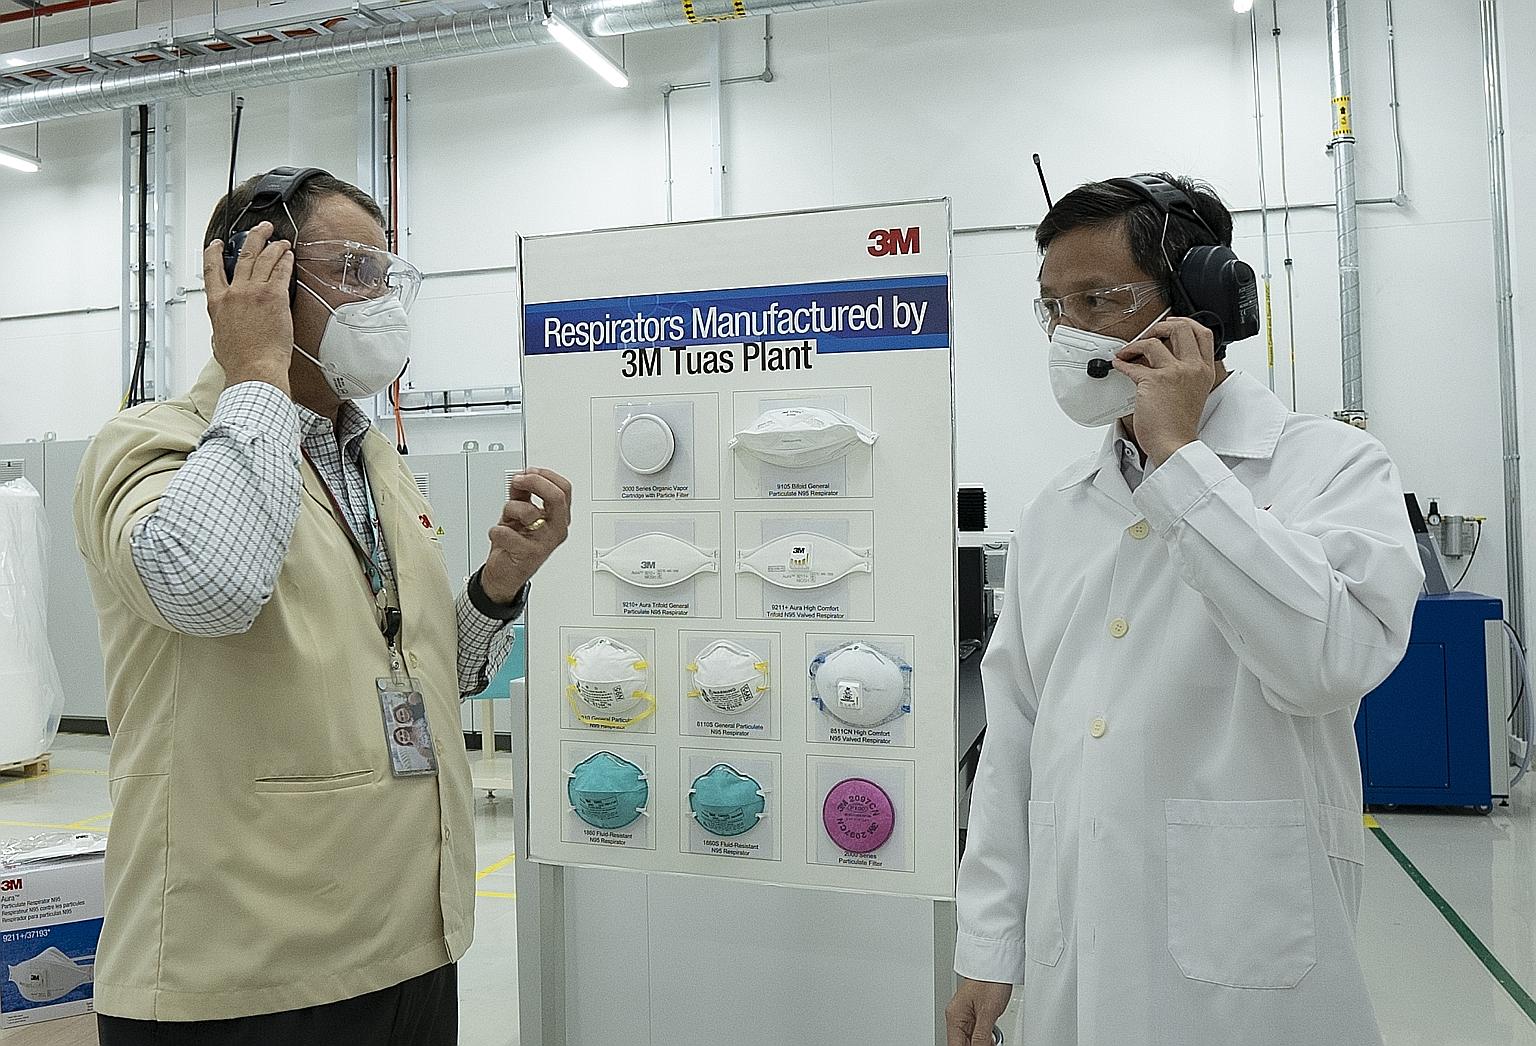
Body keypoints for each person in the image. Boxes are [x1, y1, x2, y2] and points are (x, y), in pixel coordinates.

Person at [74, 167, 571, 1045]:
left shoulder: (371, 462)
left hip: (409, 941)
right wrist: (256, 371)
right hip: (247, 971)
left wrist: (498, 586)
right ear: (249, 273)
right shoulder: (155, 443)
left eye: (387, 276)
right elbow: (207, 587)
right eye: (352, 271)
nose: (379, 300)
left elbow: (426, 674)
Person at [945, 173, 1423, 1046]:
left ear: (1201, 302)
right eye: (1053, 306)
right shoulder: (1060, 508)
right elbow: (1014, 740)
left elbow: (1329, 665)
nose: (1069, 332)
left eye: (1099, 298)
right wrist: (988, 942)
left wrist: (1179, 458)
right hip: (1072, 942)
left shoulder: (1330, 467)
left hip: (1244, 946)